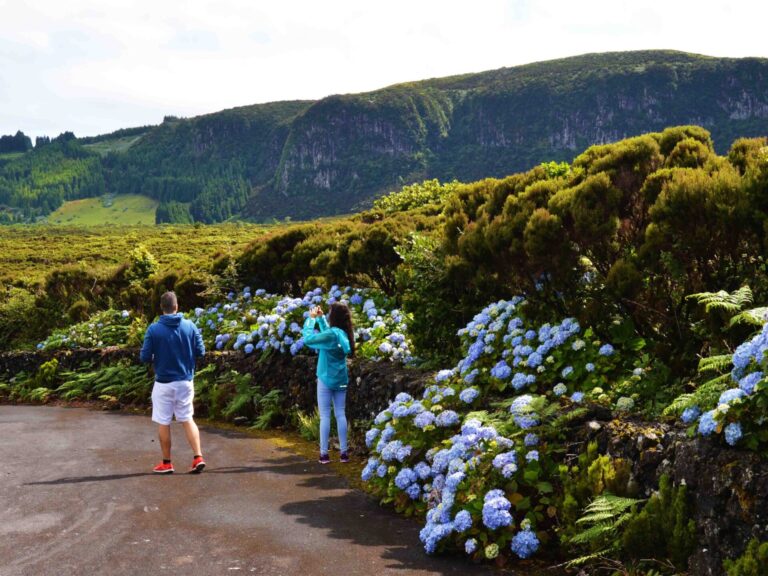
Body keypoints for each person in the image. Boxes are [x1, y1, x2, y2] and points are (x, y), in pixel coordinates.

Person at [140, 291, 206, 474]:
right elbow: (201, 351)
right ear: (176, 306)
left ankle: (167, 463)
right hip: (185, 381)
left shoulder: (153, 329)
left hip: (163, 383)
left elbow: (144, 357)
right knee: (187, 418)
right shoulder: (190, 326)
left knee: (163, 421)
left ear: (162, 308)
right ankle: (198, 457)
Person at [302, 302, 355, 464]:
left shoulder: (332, 335)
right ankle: (344, 454)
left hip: (325, 379)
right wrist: (321, 318)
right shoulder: (344, 334)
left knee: (325, 416)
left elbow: (308, 339)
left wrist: (311, 319)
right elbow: (329, 335)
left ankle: (324, 454)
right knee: (340, 414)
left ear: (334, 316)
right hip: (341, 379)